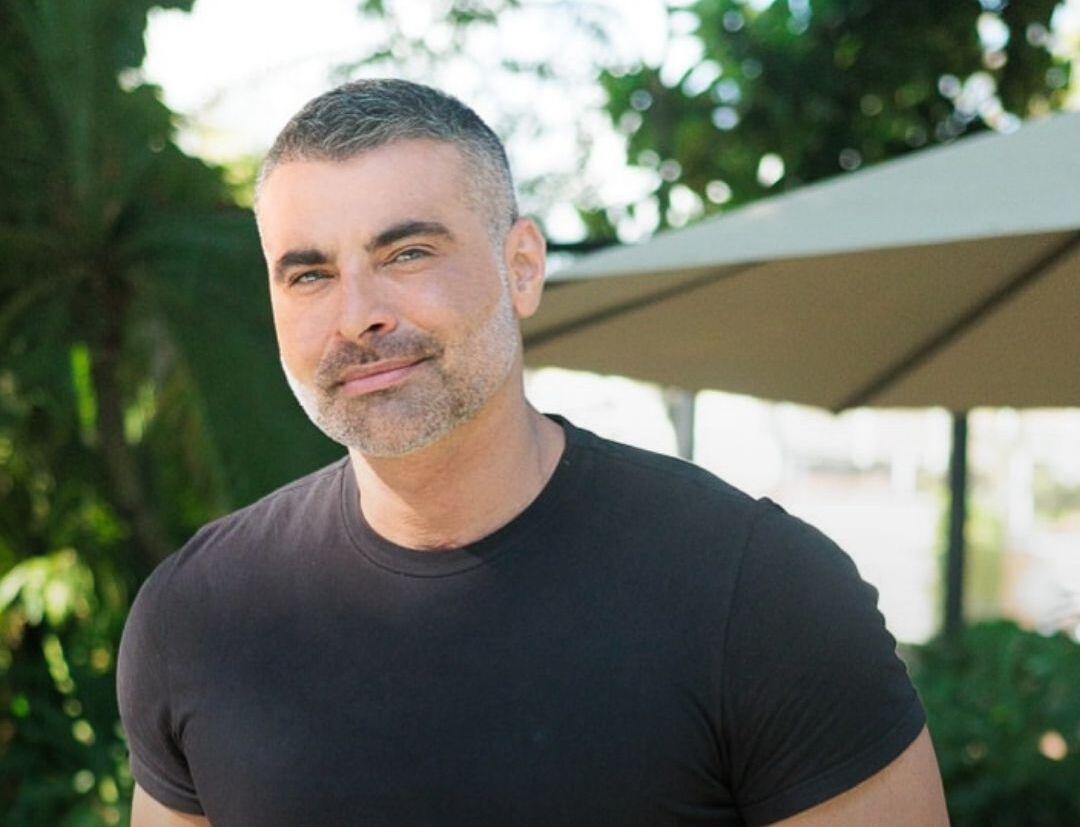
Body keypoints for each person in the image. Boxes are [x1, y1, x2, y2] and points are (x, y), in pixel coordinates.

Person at [117, 78, 949, 827]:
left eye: (407, 253)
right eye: (309, 275)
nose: (357, 314)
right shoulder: (196, 616)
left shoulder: (761, 594)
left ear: (521, 268)